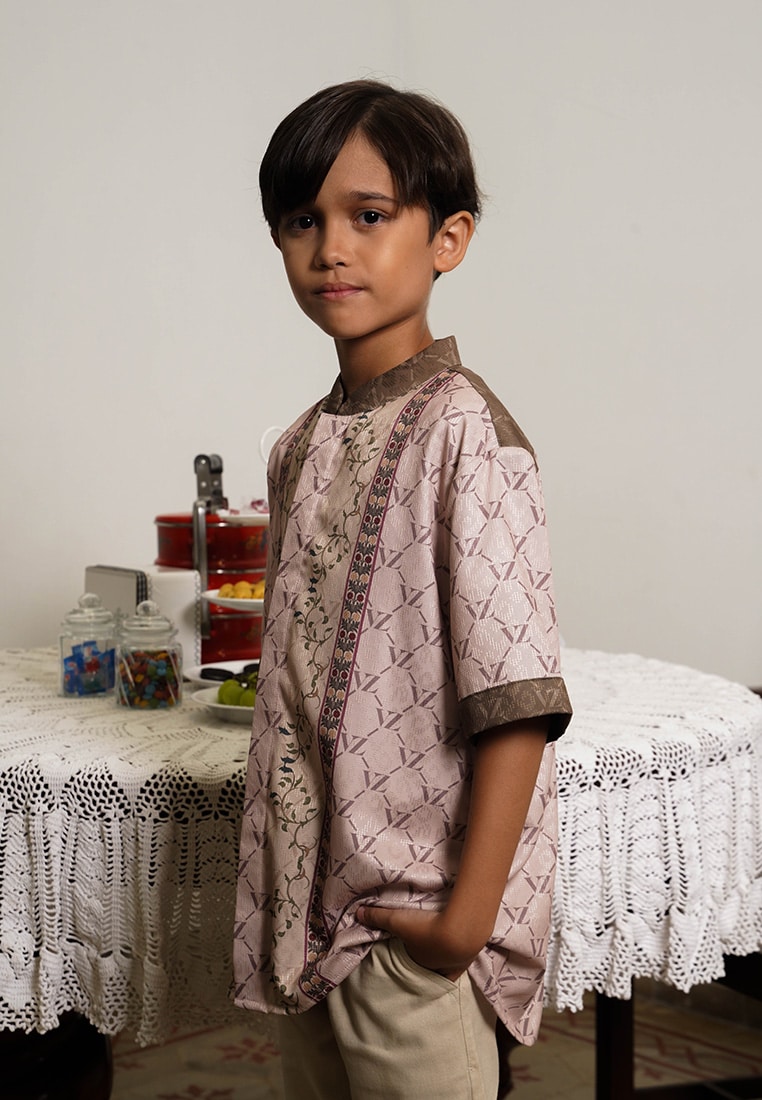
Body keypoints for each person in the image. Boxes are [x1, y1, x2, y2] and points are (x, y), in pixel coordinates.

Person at [233, 79, 573, 1100]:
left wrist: (461, 926)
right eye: (303, 220)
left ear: (448, 238)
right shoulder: (300, 444)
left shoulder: (467, 437)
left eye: (369, 216)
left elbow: (516, 699)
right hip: (307, 920)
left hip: (412, 925)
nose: (331, 248)